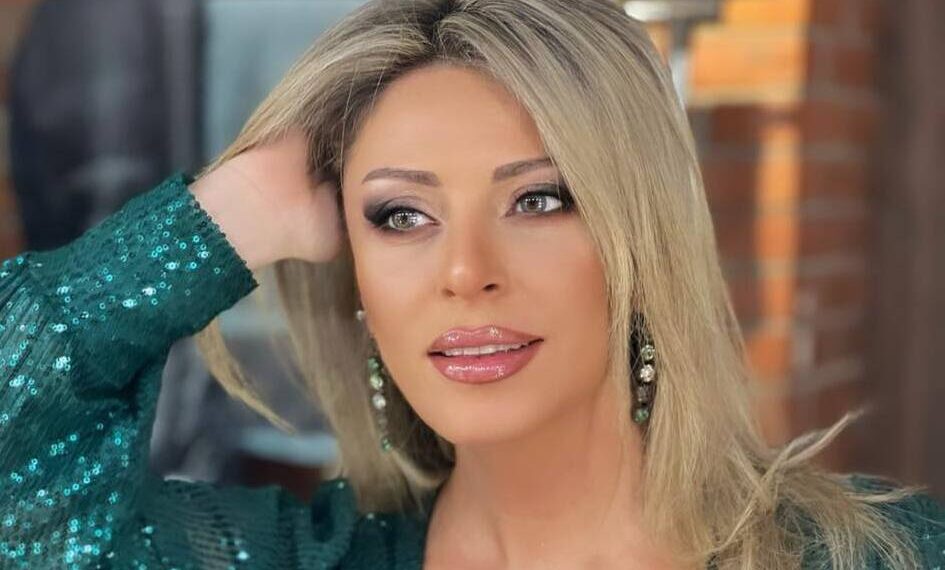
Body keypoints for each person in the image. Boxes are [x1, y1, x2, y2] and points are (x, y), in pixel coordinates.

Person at [1, 0, 943, 568]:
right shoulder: (281, 558)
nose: (464, 273)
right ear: (356, 279)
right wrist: (226, 213)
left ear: (640, 238)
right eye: (400, 216)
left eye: (538, 200)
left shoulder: (881, 554)